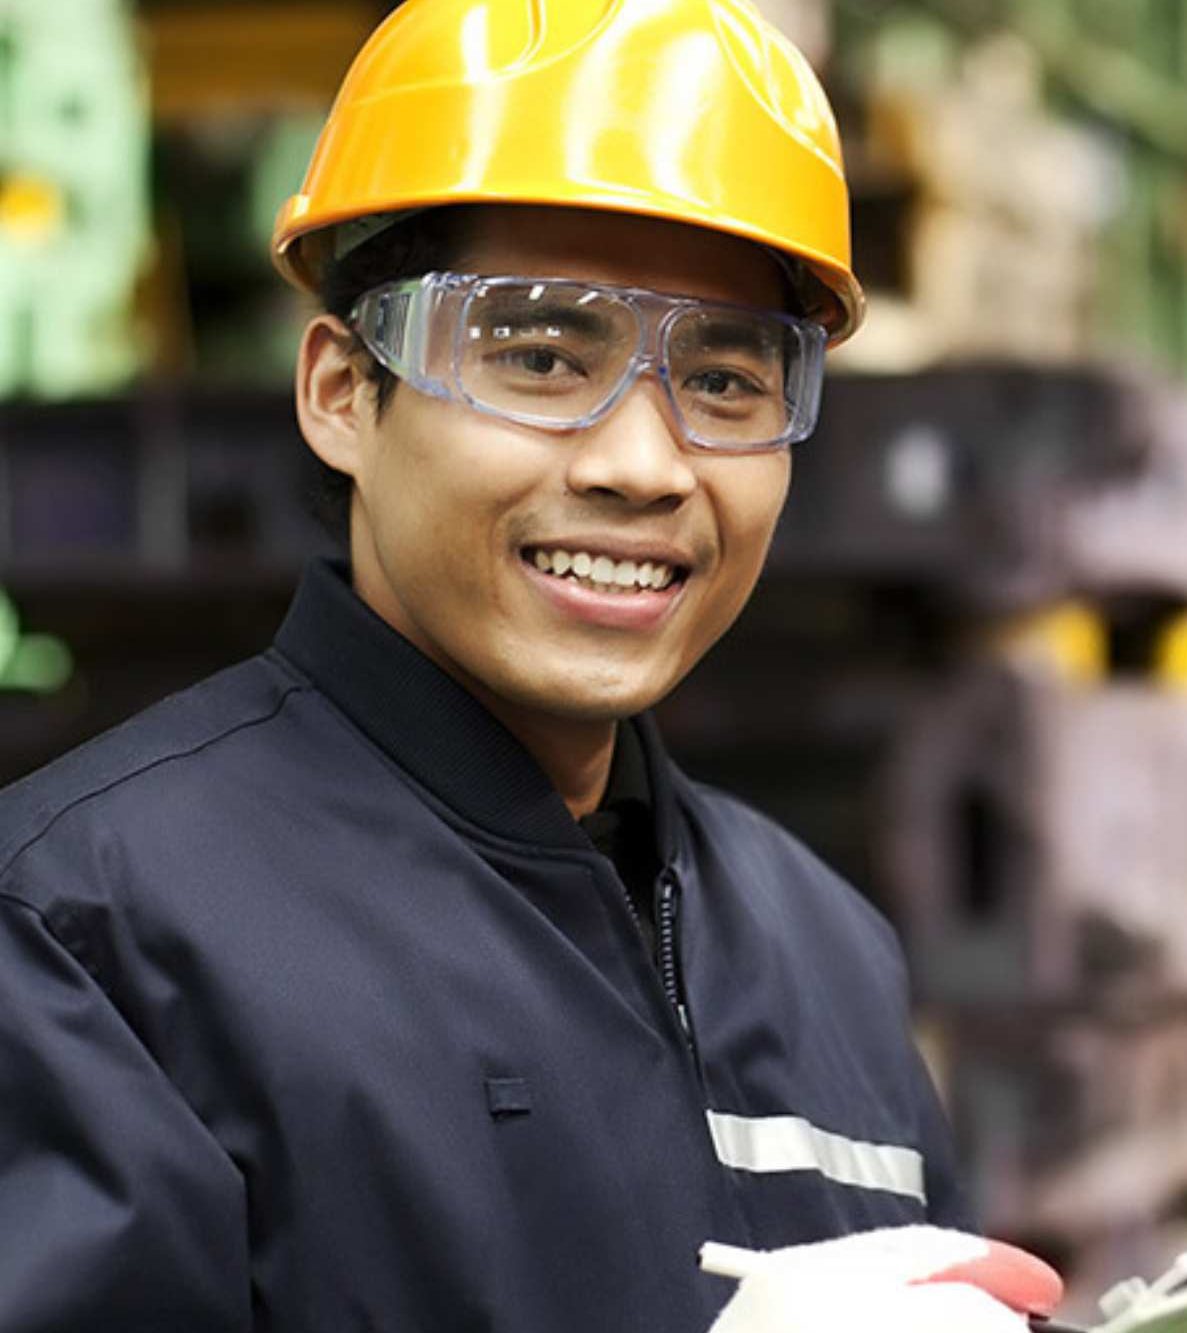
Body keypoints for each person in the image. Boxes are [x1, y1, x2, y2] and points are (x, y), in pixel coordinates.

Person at [0, 2, 1048, 1329]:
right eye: (543, 356)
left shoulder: (822, 950)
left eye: (726, 382)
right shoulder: (91, 944)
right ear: (340, 389)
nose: (645, 464)